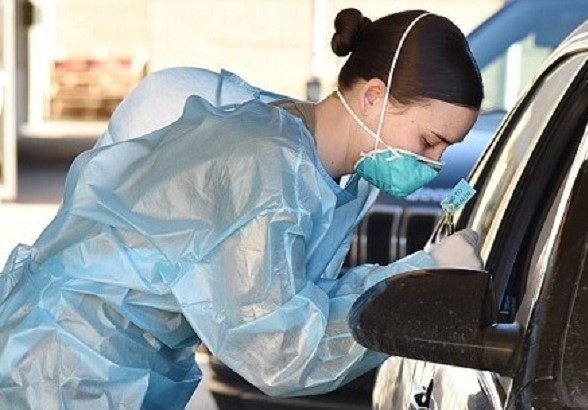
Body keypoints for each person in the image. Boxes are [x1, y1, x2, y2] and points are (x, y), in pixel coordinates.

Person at [0, 8, 484, 409]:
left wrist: (414, 274)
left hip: (109, 364)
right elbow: (278, 350)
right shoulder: (267, 165)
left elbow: (301, 298)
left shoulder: (316, 166)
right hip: (64, 367)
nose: (434, 163)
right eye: (429, 141)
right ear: (375, 96)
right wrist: (413, 291)